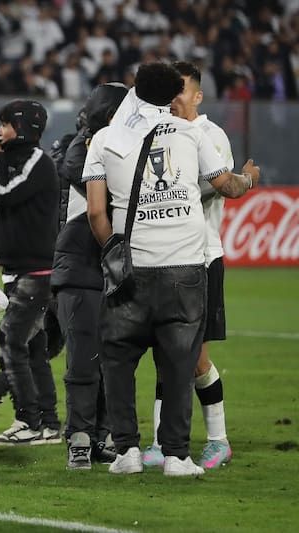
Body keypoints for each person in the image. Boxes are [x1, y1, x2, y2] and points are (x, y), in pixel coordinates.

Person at [83, 62, 260, 477]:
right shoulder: (193, 133)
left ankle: (126, 452)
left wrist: (114, 249)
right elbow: (227, 187)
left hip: (132, 268)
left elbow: (95, 212)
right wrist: (250, 176)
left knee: (119, 360)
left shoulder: (106, 139)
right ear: (172, 95)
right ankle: (177, 457)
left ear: (135, 91)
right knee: (180, 363)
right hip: (184, 267)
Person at [142, 61, 235, 470]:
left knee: (193, 354)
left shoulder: (211, 136)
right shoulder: (158, 130)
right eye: (169, 91)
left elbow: (217, 184)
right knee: (166, 351)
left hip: (203, 254)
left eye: (181, 91)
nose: (173, 98)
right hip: (165, 257)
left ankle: (218, 439)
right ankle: (163, 443)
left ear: (197, 96)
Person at [0, 100, 61, 447]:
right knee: (33, 348)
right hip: (23, 269)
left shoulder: (36, 161)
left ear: (22, 128)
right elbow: (10, 218)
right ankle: (48, 424)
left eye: (5, 124)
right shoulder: (17, 162)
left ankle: (27, 422)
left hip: (37, 271)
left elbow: (6, 193)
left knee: (11, 341)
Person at [51, 82, 128, 469]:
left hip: (108, 267)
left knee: (110, 358)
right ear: (110, 115)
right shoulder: (80, 149)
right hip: (80, 267)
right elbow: (81, 173)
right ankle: (79, 437)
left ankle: (103, 435)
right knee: (83, 358)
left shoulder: (112, 147)